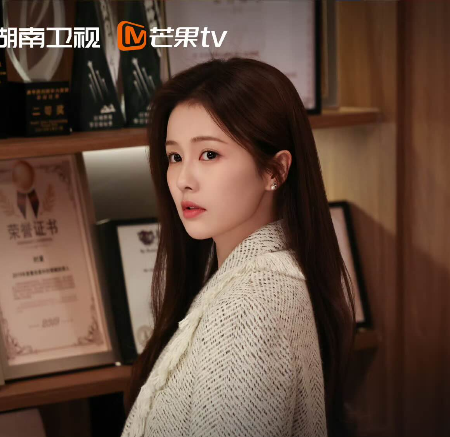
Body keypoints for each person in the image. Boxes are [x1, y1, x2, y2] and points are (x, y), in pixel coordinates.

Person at [120, 57, 356, 437]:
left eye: (209, 154)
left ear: (275, 170)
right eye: (175, 157)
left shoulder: (250, 304)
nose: (183, 180)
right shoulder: (253, 280)